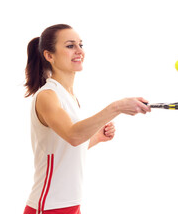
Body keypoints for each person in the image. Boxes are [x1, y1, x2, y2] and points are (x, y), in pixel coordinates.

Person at [23, 24, 151, 214]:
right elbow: (73, 136)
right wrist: (117, 107)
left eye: (81, 45)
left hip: (71, 203)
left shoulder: (70, 97)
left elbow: (65, 146)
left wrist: (95, 138)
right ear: (49, 55)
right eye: (70, 46)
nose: (79, 51)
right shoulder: (47, 96)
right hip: (50, 205)